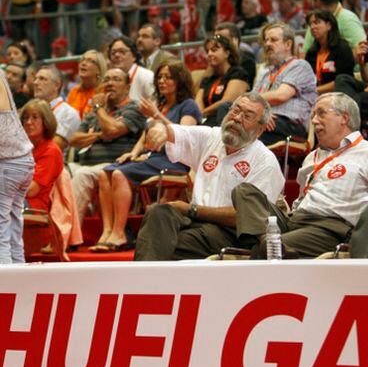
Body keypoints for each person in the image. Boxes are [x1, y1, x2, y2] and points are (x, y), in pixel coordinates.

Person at [232, 93, 368, 258]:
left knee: (271, 246)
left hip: (330, 228)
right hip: (295, 221)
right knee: (244, 191)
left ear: (344, 118)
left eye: (321, 114)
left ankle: (266, 246)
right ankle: (267, 243)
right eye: (313, 115)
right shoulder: (312, 157)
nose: (314, 121)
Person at [135, 91, 284, 261]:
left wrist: (193, 210)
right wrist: (160, 129)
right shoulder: (213, 136)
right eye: (235, 111)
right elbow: (175, 132)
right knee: (157, 212)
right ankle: (146, 281)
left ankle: (143, 283)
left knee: (166, 242)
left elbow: (247, 218)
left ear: (260, 130)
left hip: (230, 232)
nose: (236, 118)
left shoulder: (265, 161)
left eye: (247, 116)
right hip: (194, 220)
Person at [93, 60, 202, 252]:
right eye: (159, 77)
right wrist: (133, 153)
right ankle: (107, 230)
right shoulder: (160, 105)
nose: (162, 81)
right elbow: (144, 135)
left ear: (180, 81)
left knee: (119, 175)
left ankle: (119, 234)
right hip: (151, 157)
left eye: (168, 77)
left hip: (173, 160)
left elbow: (186, 135)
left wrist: (156, 114)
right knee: (104, 173)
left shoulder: (189, 105)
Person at [69, 68, 146, 223]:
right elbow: (74, 139)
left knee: (82, 175)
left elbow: (111, 130)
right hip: (85, 164)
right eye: (106, 80)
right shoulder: (96, 113)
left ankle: (68, 236)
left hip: (116, 165)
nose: (110, 83)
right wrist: (99, 135)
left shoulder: (134, 108)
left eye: (116, 79)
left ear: (128, 87)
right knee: (61, 174)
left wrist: (98, 109)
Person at [254, 22, 317, 145]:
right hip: (264, 121)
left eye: (273, 40)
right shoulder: (265, 71)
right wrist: (260, 113)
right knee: (227, 109)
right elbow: (249, 100)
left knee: (248, 131)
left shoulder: (300, 65)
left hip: (289, 125)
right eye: (266, 40)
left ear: (288, 44)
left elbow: (281, 95)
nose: (267, 44)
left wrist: (256, 107)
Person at [0, 67, 34, 263]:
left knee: (1, 229)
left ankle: (5, 285)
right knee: (12, 227)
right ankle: (19, 283)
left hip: (8, 162)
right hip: (23, 160)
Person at [196, 35, 249, 127]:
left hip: (227, 119)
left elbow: (228, 101)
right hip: (206, 120)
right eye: (207, 51)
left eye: (214, 50)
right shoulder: (208, 79)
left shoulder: (237, 73)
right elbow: (197, 104)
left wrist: (202, 113)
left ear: (227, 53)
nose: (209, 54)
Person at [20, 99, 63, 212]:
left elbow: (31, 191)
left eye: (35, 117)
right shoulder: (22, 148)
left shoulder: (51, 151)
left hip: (34, 205)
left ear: (46, 122)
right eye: (25, 118)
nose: (29, 122)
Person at [302, 0, 366, 55]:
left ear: (317, 1)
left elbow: (364, 50)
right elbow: (304, 54)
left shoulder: (348, 19)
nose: (313, 27)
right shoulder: (313, 22)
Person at [305, 11, 355, 94]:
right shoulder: (311, 53)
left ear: (329, 25)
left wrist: (315, 90)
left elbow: (343, 81)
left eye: (317, 22)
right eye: (310, 24)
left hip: (340, 95)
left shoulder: (342, 48)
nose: (312, 27)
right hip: (315, 95)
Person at [33, 65, 80, 151]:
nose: (35, 82)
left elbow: (55, 145)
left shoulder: (68, 113)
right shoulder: (30, 110)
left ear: (57, 85)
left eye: (42, 79)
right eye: (35, 79)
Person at [108, 36, 154, 103]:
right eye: (113, 53)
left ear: (134, 56)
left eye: (122, 51)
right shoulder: (109, 78)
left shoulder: (146, 76)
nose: (117, 55)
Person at [214, 22, 256, 88]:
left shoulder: (247, 60)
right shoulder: (215, 63)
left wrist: (234, 53)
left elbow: (244, 88)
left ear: (235, 40)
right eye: (215, 39)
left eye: (222, 39)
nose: (217, 44)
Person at [67, 50, 107, 119]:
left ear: (99, 70)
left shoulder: (104, 92)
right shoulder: (74, 91)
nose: (83, 63)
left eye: (90, 61)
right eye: (82, 60)